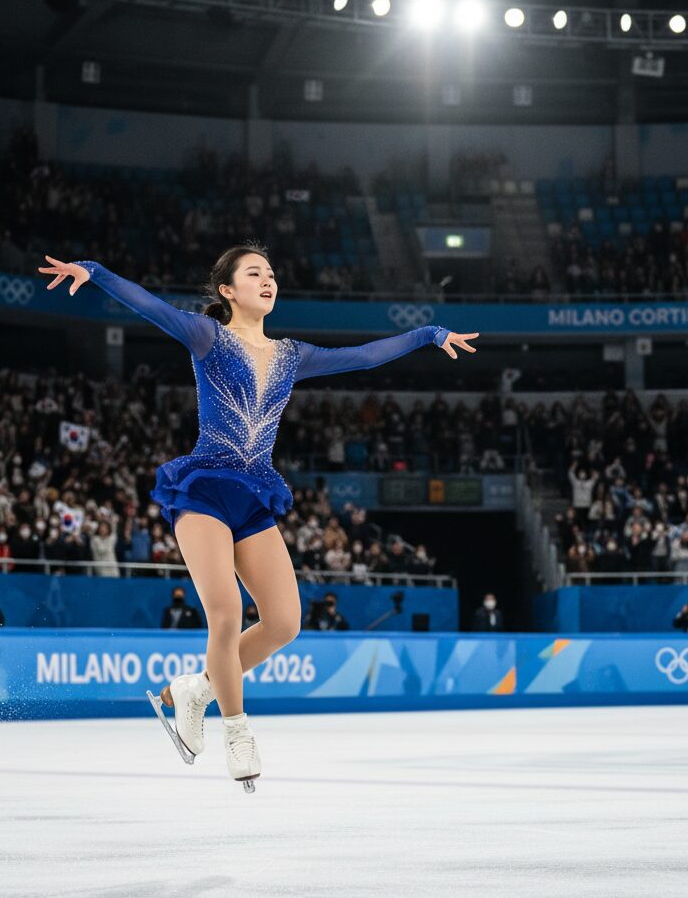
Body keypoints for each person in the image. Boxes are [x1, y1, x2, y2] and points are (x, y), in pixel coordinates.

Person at [39, 244, 477, 789]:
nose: (268, 280)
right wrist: (96, 271)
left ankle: (197, 688)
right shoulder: (208, 337)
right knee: (225, 613)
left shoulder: (293, 356)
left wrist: (429, 334)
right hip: (204, 490)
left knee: (285, 622)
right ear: (228, 290)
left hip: (253, 496)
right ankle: (237, 728)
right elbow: (150, 306)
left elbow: (364, 356)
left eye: (271, 273)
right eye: (254, 273)